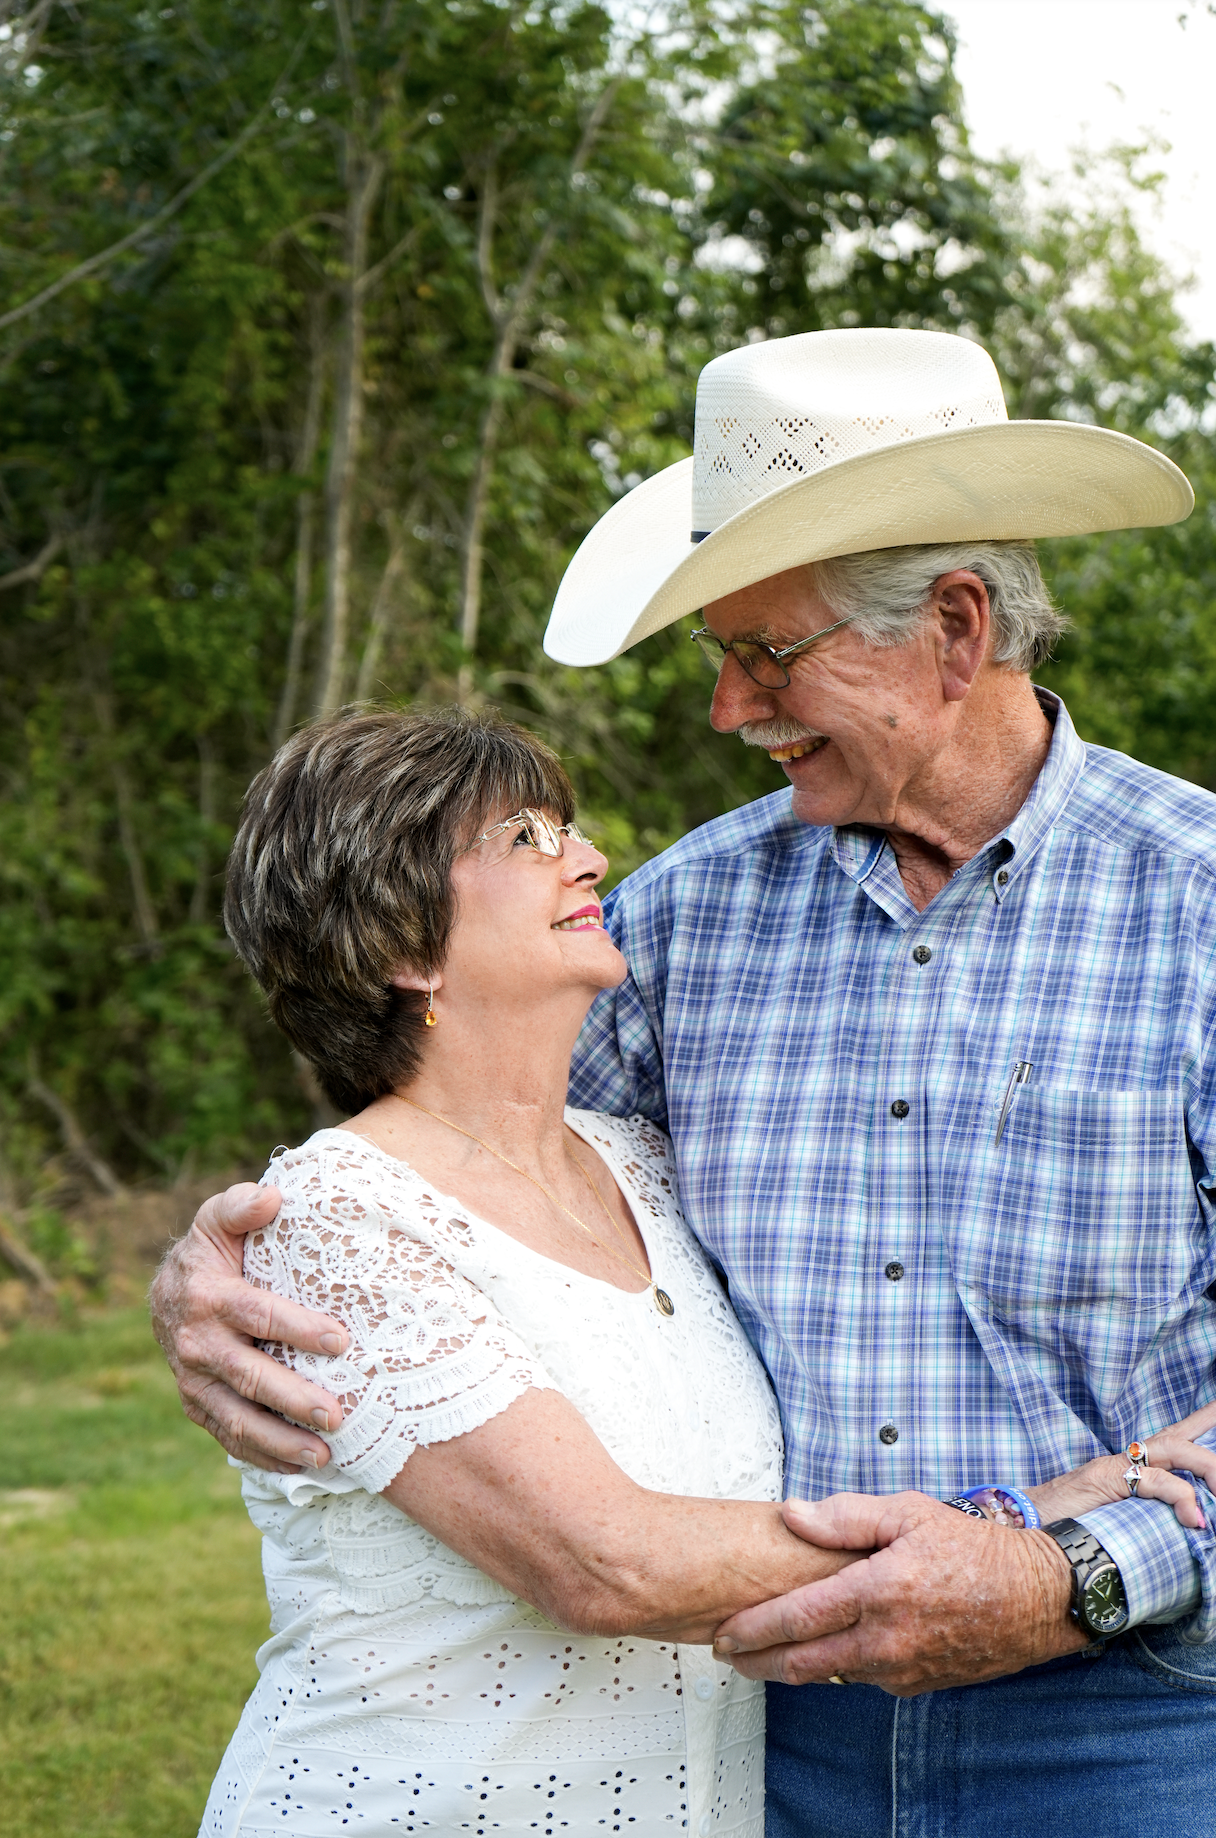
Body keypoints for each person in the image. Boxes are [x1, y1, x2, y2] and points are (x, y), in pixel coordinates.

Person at [155, 329, 1216, 1836]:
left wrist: (1075, 1567)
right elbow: (441, 1153)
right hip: (767, 1730)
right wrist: (215, 1266)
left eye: (762, 654)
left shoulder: (1196, 906)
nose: (729, 711)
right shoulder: (681, 919)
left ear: (957, 630)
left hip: (1128, 1723)